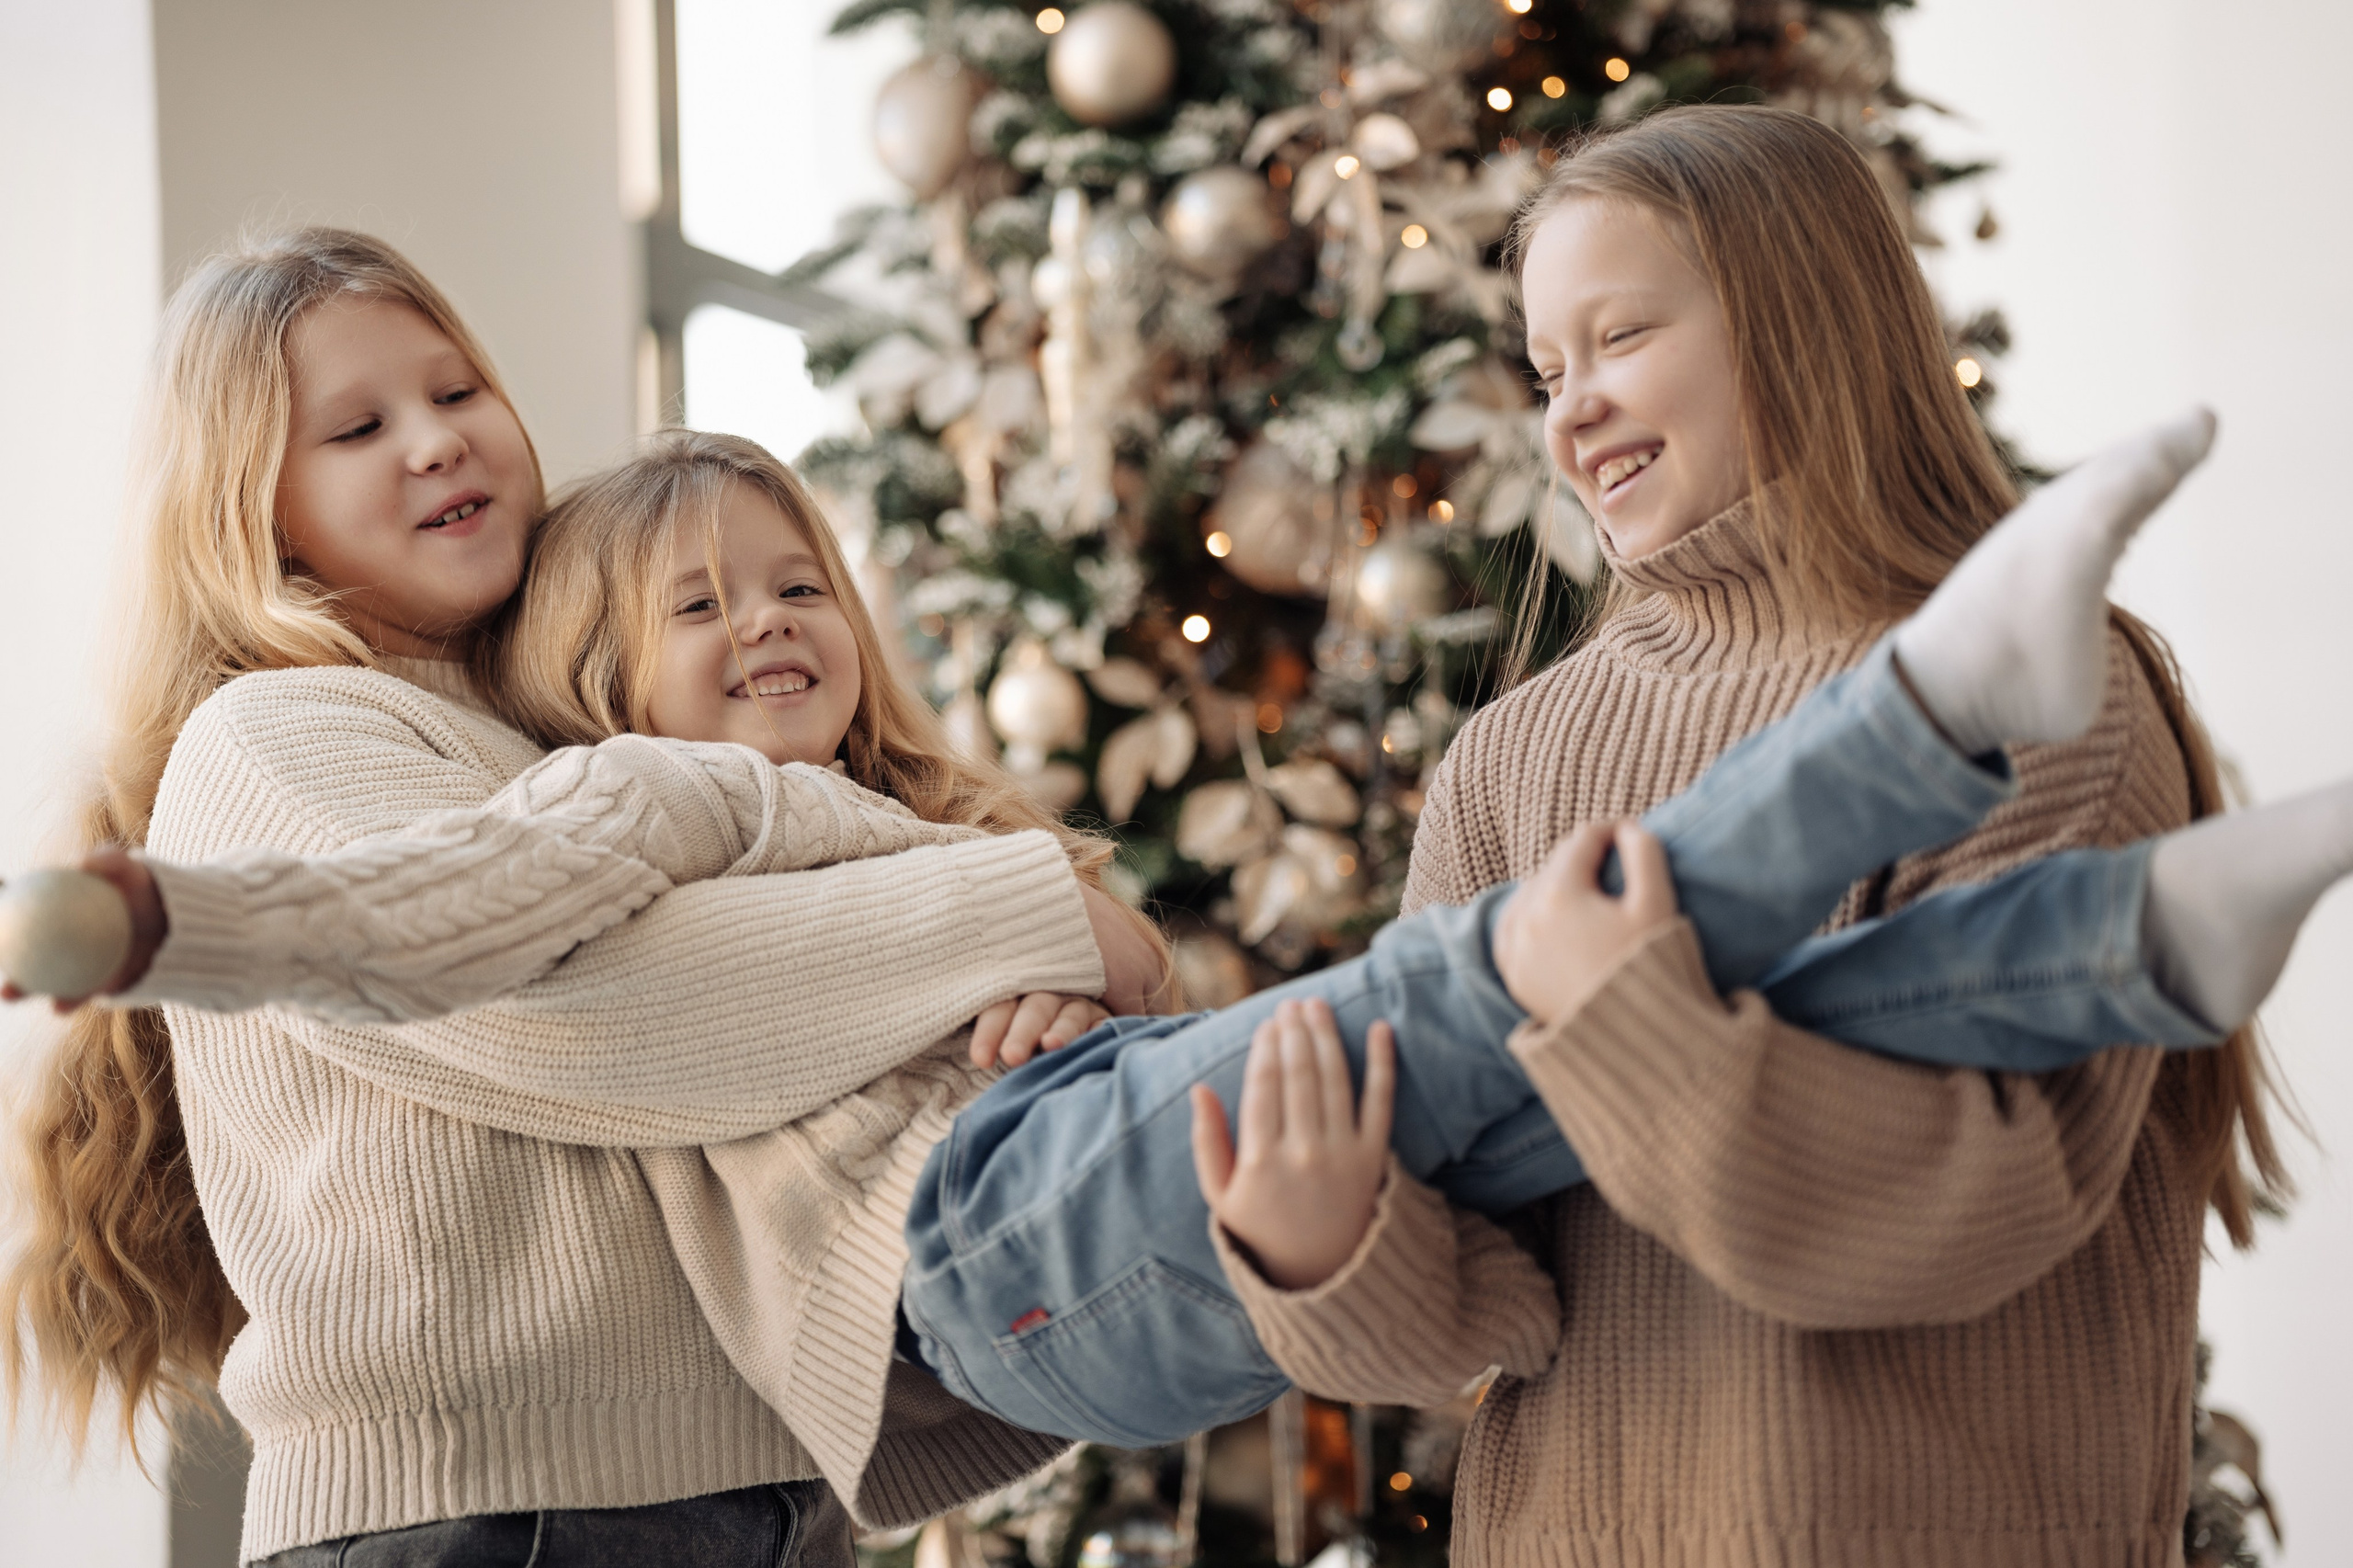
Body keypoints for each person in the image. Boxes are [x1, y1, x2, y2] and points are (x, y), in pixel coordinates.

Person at [24, 350, 2344, 1467]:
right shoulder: (654, 802)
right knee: (1498, 977)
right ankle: (1924, 725)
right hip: (971, 1264)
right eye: (695, 601)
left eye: (798, 581)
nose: (765, 627)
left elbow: (1199, 1101)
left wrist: (1044, 994)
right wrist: (168, 928)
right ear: (589, 681)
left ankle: (2125, 949)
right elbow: (434, 919)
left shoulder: (920, 823)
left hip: (1059, 1209)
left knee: (1533, 1052)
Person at [1194, 104, 2327, 1566]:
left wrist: (1630, 1024)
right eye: (1546, 369)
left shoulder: (2051, 685)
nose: (1568, 412)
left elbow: (1973, 1202)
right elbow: (1490, 1309)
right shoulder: (1509, 760)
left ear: (1803, 323)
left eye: (1617, 340)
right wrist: (1325, 1243)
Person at [0, 231, 1165, 1568]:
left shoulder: (565, 746)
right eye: (358, 426)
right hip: (487, 1510)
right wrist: (1026, 917)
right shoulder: (275, 732)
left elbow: (775, 1044)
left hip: (744, 1493)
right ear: (246, 507)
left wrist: (1008, 1013)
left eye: (457, 392)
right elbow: (588, 1005)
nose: (435, 441)